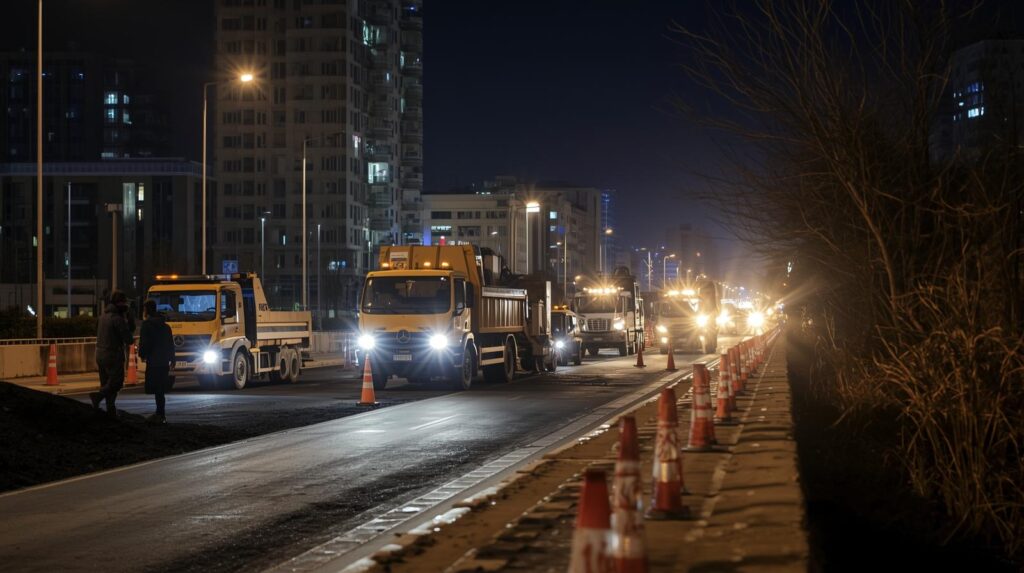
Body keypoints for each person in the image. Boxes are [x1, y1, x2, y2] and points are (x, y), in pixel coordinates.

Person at [90, 290, 136, 418]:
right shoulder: (117, 318)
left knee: (107, 383)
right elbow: (128, 338)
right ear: (119, 303)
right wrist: (130, 318)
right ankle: (98, 396)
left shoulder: (102, 317)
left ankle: (110, 409)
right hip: (113, 355)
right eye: (124, 303)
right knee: (116, 382)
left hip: (99, 353)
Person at [138, 299, 175, 424]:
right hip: (164, 361)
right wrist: (172, 359)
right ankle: (161, 413)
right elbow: (170, 344)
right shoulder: (166, 326)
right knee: (160, 389)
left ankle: (159, 414)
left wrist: (142, 354)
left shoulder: (147, 325)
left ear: (147, 310)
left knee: (155, 388)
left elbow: (145, 342)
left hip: (153, 361)